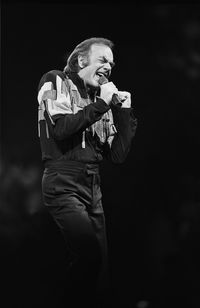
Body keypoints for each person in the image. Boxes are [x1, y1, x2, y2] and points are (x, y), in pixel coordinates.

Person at [37, 37, 137, 308]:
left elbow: (116, 155)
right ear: (82, 60)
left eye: (112, 64)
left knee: (101, 272)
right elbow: (60, 129)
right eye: (103, 60)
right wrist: (101, 106)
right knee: (89, 256)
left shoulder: (98, 98)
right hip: (63, 181)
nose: (109, 67)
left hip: (93, 185)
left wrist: (124, 113)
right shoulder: (55, 80)